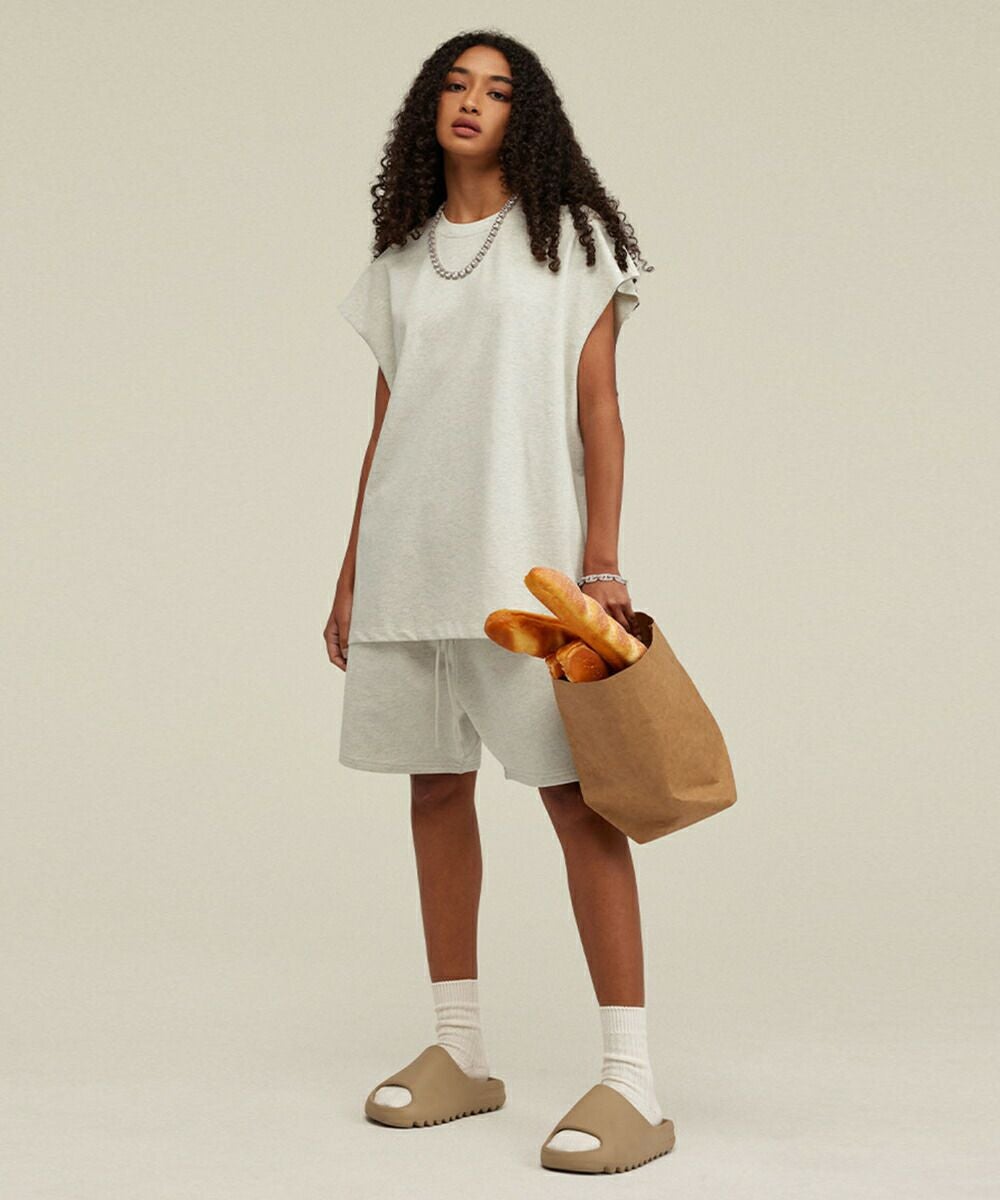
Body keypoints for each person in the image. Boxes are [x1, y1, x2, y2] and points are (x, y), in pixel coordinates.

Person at [325, 31, 674, 1174]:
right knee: (433, 792)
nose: (470, 101)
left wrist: (602, 566)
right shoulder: (400, 260)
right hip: (406, 567)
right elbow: (388, 421)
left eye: (498, 89)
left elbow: (600, 410)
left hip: (524, 576)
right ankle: (461, 1051)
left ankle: (631, 1081)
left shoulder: (572, 242)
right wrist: (350, 571)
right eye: (454, 84)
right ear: (427, 108)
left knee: (579, 803)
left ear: (528, 117)